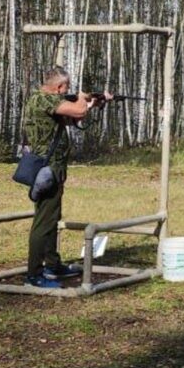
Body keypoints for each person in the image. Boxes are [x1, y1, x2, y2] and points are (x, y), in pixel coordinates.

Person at [21, 66, 112, 289]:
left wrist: (92, 103)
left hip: (53, 168)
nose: (67, 91)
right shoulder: (45, 100)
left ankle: (52, 264)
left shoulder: (44, 100)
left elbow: (74, 117)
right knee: (43, 222)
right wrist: (82, 99)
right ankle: (34, 274)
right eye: (66, 88)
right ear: (59, 87)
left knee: (51, 218)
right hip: (47, 169)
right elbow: (78, 111)